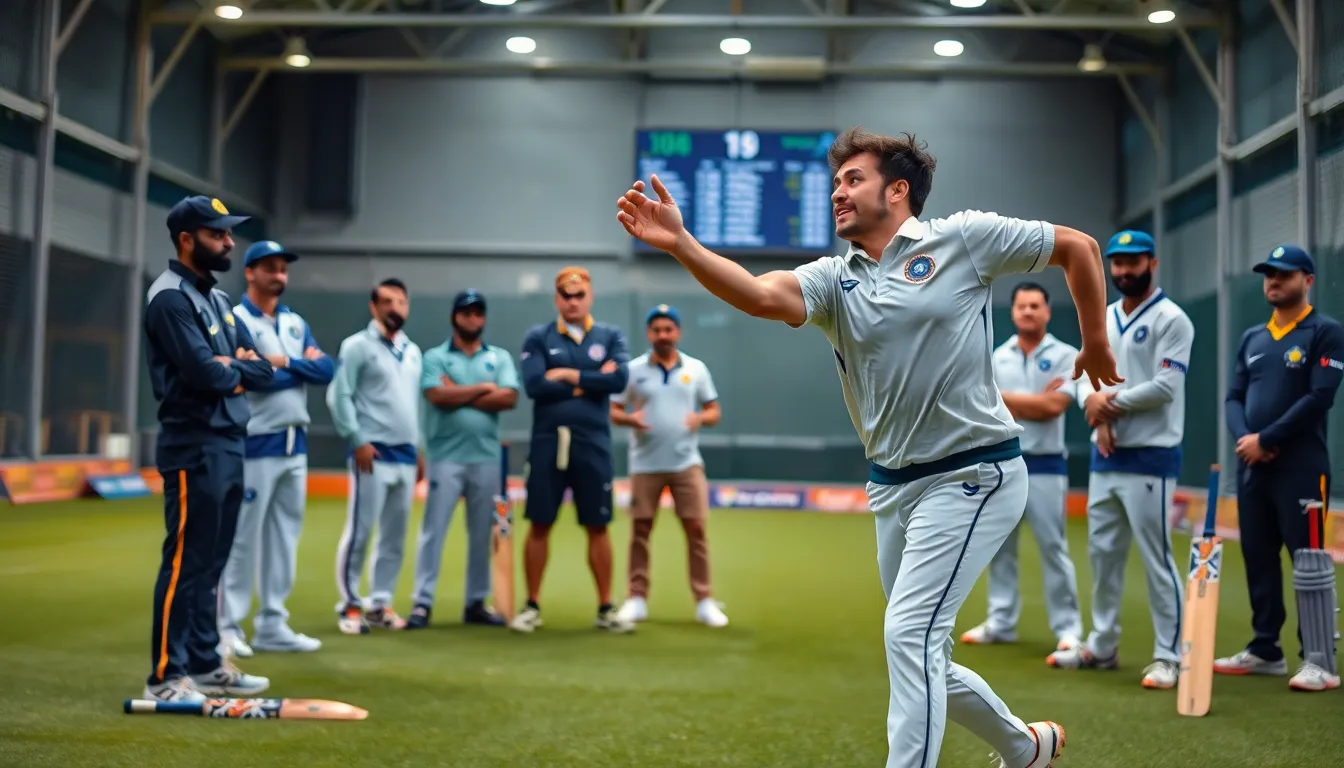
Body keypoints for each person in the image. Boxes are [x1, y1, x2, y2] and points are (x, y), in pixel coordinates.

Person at [616, 127, 1119, 768]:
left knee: (909, 635)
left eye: (853, 180)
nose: (838, 193)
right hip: (892, 485)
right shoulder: (834, 278)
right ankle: (1025, 748)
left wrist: (1095, 339)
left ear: (898, 190)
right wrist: (682, 244)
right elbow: (760, 294)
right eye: (835, 183)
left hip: (975, 472)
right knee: (920, 648)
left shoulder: (962, 237)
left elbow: (1078, 247)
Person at [1046, 230, 1194, 692]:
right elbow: (1083, 375)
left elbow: (1166, 387)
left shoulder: (1173, 319)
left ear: (1152, 262)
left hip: (1152, 457)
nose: (1125, 271)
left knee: (1157, 558)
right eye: (1117, 263)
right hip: (1105, 456)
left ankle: (1169, 656)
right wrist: (1094, 408)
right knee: (1103, 556)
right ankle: (1102, 646)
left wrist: (1107, 406)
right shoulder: (1105, 316)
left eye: (1134, 262)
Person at [140, 195, 275, 702]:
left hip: (228, 442)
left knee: (212, 563)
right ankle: (164, 676)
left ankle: (202, 663)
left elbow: (261, 369)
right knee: (184, 562)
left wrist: (234, 367)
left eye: (228, 233)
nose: (229, 242)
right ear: (187, 239)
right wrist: (232, 366)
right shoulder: (169, 297)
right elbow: (204, 373)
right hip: (193, 444)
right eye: (219, 234)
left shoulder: (218, 301)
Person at [1217, 245, 1344, 692]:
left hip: (1302, 469)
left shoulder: (1325, 332)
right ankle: (1265, 649)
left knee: (1308, 561)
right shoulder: (1253, 336)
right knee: (1258, 557)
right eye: (1269, 274)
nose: (1274, 281)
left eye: (1284, 274)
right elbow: (1233, 397)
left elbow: (1320, 397)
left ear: (1307, 280)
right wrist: (1245, 441)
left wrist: (1266, 439)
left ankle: (1319, 660)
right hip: (1255, 468)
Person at [216, 240, 334, 658]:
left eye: (283, 268)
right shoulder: (233, 319)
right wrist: (285, 368)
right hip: (255, 443)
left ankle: (272, 623)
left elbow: (325, 368)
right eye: (270, 268)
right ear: (250, 272)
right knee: (241, 538)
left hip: (293, 445)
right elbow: (250, 376)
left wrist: (281, 363)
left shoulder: (295, 323)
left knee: (284, 537)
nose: (278, 275)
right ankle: (227, 627)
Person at [510, 266, 635, 634]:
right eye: (566, 295)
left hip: (593, 443)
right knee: (540, 523)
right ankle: (531, 605)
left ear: (590, 296)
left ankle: (605, 608)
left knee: (598, 525)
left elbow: (619, 379)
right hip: (548, 442)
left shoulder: (610, 335)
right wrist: (591, 381)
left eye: (579, 295)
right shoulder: (538, 336)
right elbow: (534, 385)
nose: (573, 301)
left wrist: (565, 375)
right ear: (557, 298)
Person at [961, 282, 1083, 653]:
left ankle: (1069, 629)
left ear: (1047, 311)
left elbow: (1053, 408)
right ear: (1013, 312)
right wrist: (1031, 400)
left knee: (1053, 547)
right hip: (1002, 463)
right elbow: (982, 407)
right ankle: (1001, 622)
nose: (1028, 311)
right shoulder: (996, 357)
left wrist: (1001, 398)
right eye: (1021, 306)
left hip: (1046, 465)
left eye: (1035, 305)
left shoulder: (1067, 355)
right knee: (999, 548)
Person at [610, 304, 729, 629]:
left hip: (686, 464)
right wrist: (630, 418)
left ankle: (704, 600)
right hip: (644, 465)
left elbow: (714, 411)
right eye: (656, 330)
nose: (663, 335)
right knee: (640, 530)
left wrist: (700, 418)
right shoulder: (633, 370)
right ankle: (636, 598)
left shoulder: (696, 369)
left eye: (668, 329)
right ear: (649, 333)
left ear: (678, 332)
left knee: (696, 530)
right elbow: (614, 410)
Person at [409, 289, 520, 629]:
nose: (472, 318)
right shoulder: (435, 357)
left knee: (480, 533)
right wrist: (484, 388)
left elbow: (509, 397)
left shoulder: (498, 357)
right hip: (445, 455)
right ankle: (422, 603)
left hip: (486, 456)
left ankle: (475, 602)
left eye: (477, 313)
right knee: (434, 529)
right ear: (454, 317)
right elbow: (435, 395)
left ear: (483, 318)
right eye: (466, 313)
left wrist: (458, 391)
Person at [327, 278, 426, 635]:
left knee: (395, 536)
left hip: (404, 455)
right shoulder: (357, 347)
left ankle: (379, 603)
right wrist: (356, 439)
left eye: (400, 301)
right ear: (373, 307)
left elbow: (413, 406)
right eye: (386, 301)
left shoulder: (413, 352)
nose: (394, 308)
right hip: (372, 453)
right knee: (361, 530)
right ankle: (350, 605)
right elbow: (339, 396)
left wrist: (419, 449)